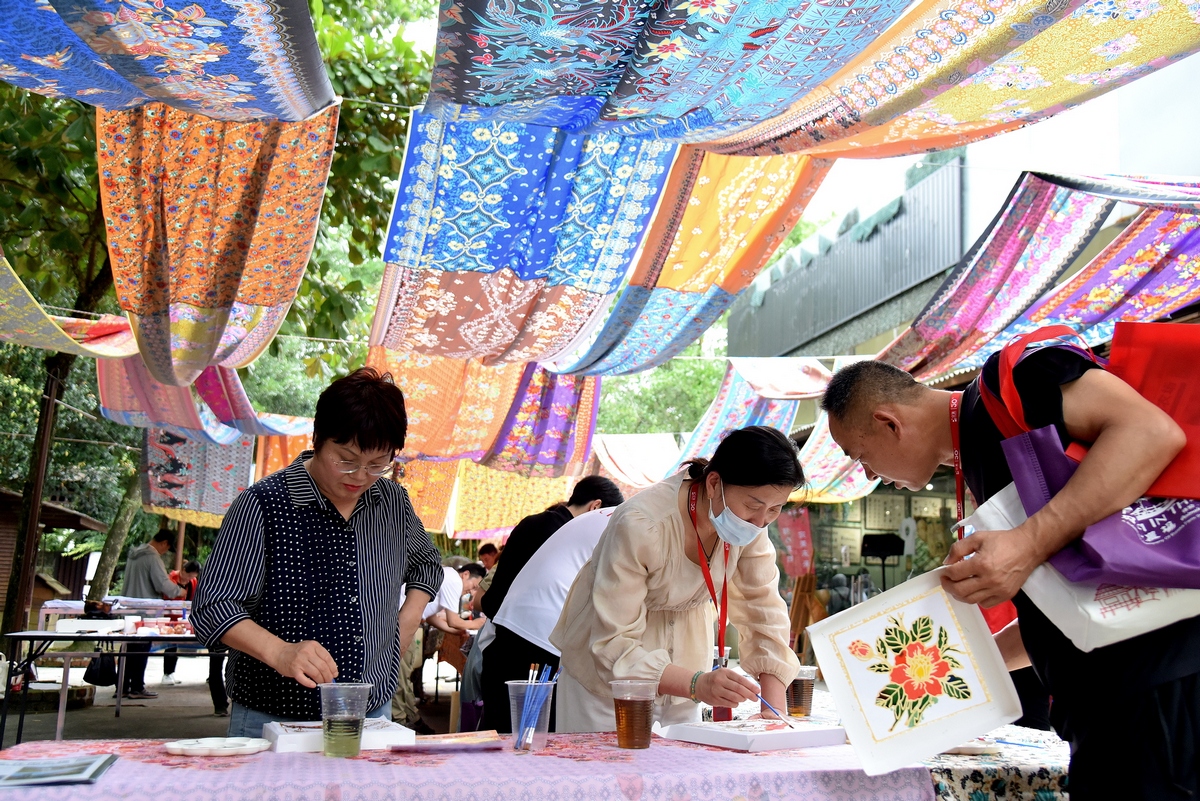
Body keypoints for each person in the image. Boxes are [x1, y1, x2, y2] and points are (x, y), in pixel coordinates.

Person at [821, 354, 1199, 800]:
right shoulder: (980, 457)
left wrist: (1028, 542)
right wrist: (962, 665)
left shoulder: (1012, 380)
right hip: (1107, 710)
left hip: (1158, 688)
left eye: (860, 456)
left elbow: (1151, 432)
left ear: (889, 423)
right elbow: (1068, 605)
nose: (869, 475)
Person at [192, 367, 444, 737]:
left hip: (372, 711)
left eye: (378, 464)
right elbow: (213, 607)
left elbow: (426, 564)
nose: (359, 475)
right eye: (346, 458)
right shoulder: (263, 505)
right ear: (318, 439)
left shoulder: (392, 502)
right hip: (273, 717)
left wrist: (405, 623)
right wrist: (280, 653)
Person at [551, 426, 803, 732]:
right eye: (753, 505)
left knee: (683, 775)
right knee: (608, 774)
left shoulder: (751, 526)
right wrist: (697, 684)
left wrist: (772, 711)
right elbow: (612, 642)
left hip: (687, 676)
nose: (761, 521)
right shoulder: (642, 524)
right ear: (714, 483)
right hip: (609, 683)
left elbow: (762, 609)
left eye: (775, 509)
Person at [480, 507, 615, 732]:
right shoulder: (643, 523)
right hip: (543, 639)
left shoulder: (602, 518)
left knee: (509, 735)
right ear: (595, 504)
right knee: (536, 738)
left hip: (510, 629)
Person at [480, 476, 623, 620]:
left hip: (498, 618)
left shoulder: (533, 521)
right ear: (595, 506)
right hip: (521, 626)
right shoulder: (568, 535)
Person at [391, 563, 486, 732]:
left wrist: (458, 631)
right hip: (402, 624)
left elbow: (431, 617)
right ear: (465, 574)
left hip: (404, 623)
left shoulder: (444, 577)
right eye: (473, 586)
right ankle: (400, 720)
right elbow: (453, 620)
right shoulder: (453, 580)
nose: (471, 592)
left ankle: (410, 715)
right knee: (400, 675)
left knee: (403, 674)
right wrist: (477, 624)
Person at [121, 529, 186, 699]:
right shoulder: (152, 557)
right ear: (164, 543)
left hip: (129, 608)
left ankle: (122, 686)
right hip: (146, 610)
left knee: (128, 649)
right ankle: (136, 687)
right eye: (167, 548)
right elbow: (162, 584)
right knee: (142, 649)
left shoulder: (133, 555)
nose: (165, 552)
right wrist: (180, 591)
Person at [161, 560, 200, 686]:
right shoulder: (170, 579)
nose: (189, 579)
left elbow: (193, 598)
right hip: (170, 617)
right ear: (183, 570)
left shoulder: (193, 582)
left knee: (176, 645)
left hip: (184, 617)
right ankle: (167, 673)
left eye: (193, 577)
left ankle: (171, 672)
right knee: (170, 645)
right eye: (188, 576)